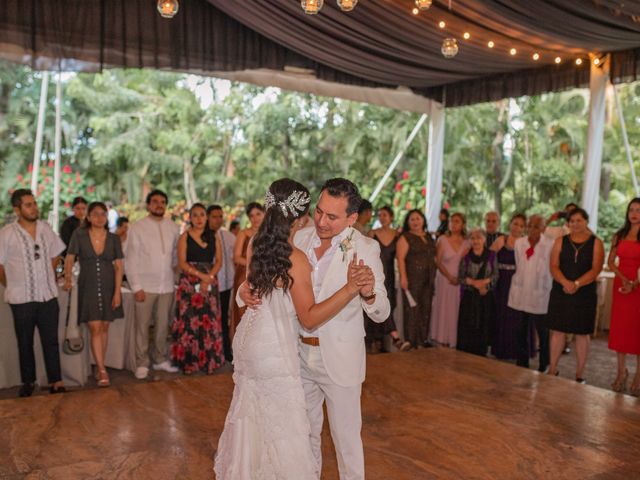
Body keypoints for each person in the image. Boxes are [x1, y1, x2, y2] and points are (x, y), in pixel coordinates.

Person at [215, 178, 377, 479]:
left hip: (253, 341)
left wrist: (368, 292)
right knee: (288, 432)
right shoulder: (297, 254)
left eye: (331, 216)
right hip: (280, 349)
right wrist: (350, 287)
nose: (321, 221)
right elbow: (309, 318)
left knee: (254, 420)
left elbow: (255, 284)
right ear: (301, 217)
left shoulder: (255, 243)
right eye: (317, 213)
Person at [0, 189, 66, 397]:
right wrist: (11, 284)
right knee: (25, 341)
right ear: (17, 209)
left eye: (34, 203)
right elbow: (0, 265)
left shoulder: (45, 228)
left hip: (47, 295)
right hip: (21, 298)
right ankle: (28, 381)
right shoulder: (6, 233)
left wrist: (49, 275)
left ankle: (56, 380)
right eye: (28, 205)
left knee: (51, 340)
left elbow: (56, 254)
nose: (34, 208)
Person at [63, 202, 124, 387]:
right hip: (87, 286)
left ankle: (99, 365)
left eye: (103, 214)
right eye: (95, 214)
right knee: (95, 327)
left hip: (108, 286)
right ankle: (102, 369)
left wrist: (117, 292)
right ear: (88, 217)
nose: (99, 217)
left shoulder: (114, 238)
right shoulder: (79, 235)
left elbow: (119, 266)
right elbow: (69, 257)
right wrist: (66, 278)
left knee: (104, 327)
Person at [125, 189, 180, 380]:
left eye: (163, 202)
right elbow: (130, 259)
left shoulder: (173, 227)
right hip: (145, 287)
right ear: (148, 205)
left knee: (163, 325)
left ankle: (160, 359)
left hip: (166, 286)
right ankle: (141, 363)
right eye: (155, 201)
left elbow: (175, 256)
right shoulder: (138, 227)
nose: (159, 205)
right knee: (141, 327)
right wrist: (136, 286)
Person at [546, 208, 604, 383]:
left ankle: (579, 374)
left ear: (586, 221)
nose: (575, 224)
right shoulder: (559, 241)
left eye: (579, 220)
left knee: (582, 333)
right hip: (561, 291)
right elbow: (554, 266)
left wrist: (577, 284)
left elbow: (596, 269)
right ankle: (553, 368)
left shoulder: (596, 243)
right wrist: (565, 283)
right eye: (572, 221)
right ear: (567, 224)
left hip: (584, 293)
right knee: (557, 331)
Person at [171, 203, 224, 374]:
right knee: (190, 323)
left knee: (209, 322)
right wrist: (202, 277)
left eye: (202, 214)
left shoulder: (214, 236)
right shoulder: (184, 237)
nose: (199, 218)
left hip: (209, 282)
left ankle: (209, 362)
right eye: (195, 215)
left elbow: (219, 261)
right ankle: (189, 363)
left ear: (206, 217)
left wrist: (208, 278)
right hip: (189, 284)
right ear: (190, 218)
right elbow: (182, 262)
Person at [508, 215, 553, 373]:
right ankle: (522, 361)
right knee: (521, 329)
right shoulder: (520, 243)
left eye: (536, 226)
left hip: (540, 293)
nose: (532, 229)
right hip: (521, 291)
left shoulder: (549, 245)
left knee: (543, 331)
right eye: (530, 226)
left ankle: (544, 363)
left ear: (543, 228)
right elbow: (519, 263)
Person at [607, 198, 640, 395]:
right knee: (620, 329)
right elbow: (611, 262)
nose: (634, 213)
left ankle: (638, 374)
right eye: (631, 210)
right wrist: (623, 279)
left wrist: (635, 283)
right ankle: (621, 372)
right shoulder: (618, 235)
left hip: (639, 286)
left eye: (638, 210)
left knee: (637, 330)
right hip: (621, 285)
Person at [366, 206, 410, 352]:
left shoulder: (398, 236)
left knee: (386, 306)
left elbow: (401, 257)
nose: (382, 217)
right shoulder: (372, 233)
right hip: (376, 275)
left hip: (390, 277)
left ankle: (379, 340)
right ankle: (394, 337)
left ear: (391, 217)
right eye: (380, 215)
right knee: (376, 304)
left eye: (385, 215)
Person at [396, 209, 437, 350]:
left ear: (423, 220)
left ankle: (422, 340)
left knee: (425, 309)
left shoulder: (430, 237)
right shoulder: (405, 237)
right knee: (412, 310)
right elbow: (400, 259)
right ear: (408, 222)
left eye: (418, 218)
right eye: (412, 219)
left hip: (429, 279)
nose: (415, 222)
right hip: (412, 279)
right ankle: (411, 341)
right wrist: (403, 278)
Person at [490, 213, 527, 359]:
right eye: (515, 223)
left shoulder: (526, 243)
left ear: (524, 229)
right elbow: (489, 258)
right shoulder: (502, 239)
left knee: (516, 316)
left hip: (518, 283)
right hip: (501, 282)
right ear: (510, 224)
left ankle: (515, 350)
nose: (517, 227)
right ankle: (500, 349)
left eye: (521, 225)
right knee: (501, 314)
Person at [457, 228, 498, 356]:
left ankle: (482, 352)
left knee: (483, 325)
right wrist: (474, 283)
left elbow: (496, 275)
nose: (476, 241)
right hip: (470, 297)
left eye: (479, 238)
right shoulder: (466, 257)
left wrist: (485, 284)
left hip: (485, 296)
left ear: (484, 239)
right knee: (468, 326)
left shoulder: (492, 255)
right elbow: (461, 278)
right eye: (473, 238)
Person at [430, 212, 469, 347]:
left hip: (459, 280)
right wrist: (449, 277)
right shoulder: (443, 239)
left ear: (463, 224)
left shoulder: (467, 242)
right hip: (444, 278)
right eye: (452, 221)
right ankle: (441, 336)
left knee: (456, 309)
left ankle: (454, 338)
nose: (453, 224)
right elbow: (437, 261)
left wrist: (460, 278)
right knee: (443, 307)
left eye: (457, 221)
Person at [229, 202, 265, 340]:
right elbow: (237, 257)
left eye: (258, 214)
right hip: (244, 276)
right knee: (244, 310)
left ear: (264, 214)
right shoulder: (244, 233)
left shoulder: (269, 234)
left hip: (264, 276)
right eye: (251, 216)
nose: (255, 218)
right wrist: (256, 265)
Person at [207, 204, 236, 362]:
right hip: (208, 285)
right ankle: (210, 353)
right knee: (208, 320)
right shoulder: (201, 236)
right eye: (214, 216)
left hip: (226, 285)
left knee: (224, 320)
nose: (218, 220)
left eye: (220, 216)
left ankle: (225, 352)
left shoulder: (229, 236)